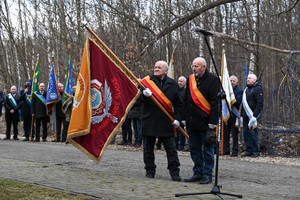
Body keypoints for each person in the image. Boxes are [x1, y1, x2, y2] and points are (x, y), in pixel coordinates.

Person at [141, 60, 183, 182]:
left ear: (166, 70)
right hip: (149, 120)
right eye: (155, 67)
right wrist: (143, 94)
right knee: (148, 149)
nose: (156, 69)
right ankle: (150, 171)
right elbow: (137, 101)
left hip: (166, 121)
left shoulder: (173, 84)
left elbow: (179, 104)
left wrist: (178, 119)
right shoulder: (146, 82)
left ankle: (174, 172)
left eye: (159, 67)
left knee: (171, 150)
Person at [183, 57, 219, 184]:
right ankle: (197, 172)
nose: (194, 68)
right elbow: (187, 100)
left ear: (204, 67)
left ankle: (207, 174)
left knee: (208, 150)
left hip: (206, 122)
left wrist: (212, 123)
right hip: (192, 122)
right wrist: (184, 118)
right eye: (193, 66)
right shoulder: (190, 79)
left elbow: (215, 103)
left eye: (196, 66)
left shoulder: (213, 80)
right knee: (194, 149)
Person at [241, 74, 263, 158]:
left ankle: (255, 151)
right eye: (247, 78)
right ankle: (249, 149)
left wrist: (254, 116)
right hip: (245, 116)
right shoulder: (247, 89)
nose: (247, 79)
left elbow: (259, 104)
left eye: (249, 78)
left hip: (253, 116)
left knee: (253, 134)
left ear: (254, 80)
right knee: (246, 133)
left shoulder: (258, 89)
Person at [223, 75, 243, 156]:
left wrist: (229, 98)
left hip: (234, 115)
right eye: (230, 81)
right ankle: (225, 150)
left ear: (237, 82)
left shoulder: (239, 91)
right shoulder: (225, 90)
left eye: (233, 81)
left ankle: (235, 151)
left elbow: (237, 102)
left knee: (234, 135)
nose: (232, 82)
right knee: (225, 134)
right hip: (226, 114)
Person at [175, 76, 187, 151]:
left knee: (182, 132)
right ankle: (175, 144)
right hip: (175, 114)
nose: (180, 83)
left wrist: (185, 117)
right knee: (175, 131)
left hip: (183, 115)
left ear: (185, 83)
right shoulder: (175, 90)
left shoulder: (186, 92)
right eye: (179, 81)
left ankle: (182, 145)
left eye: (182, 81)